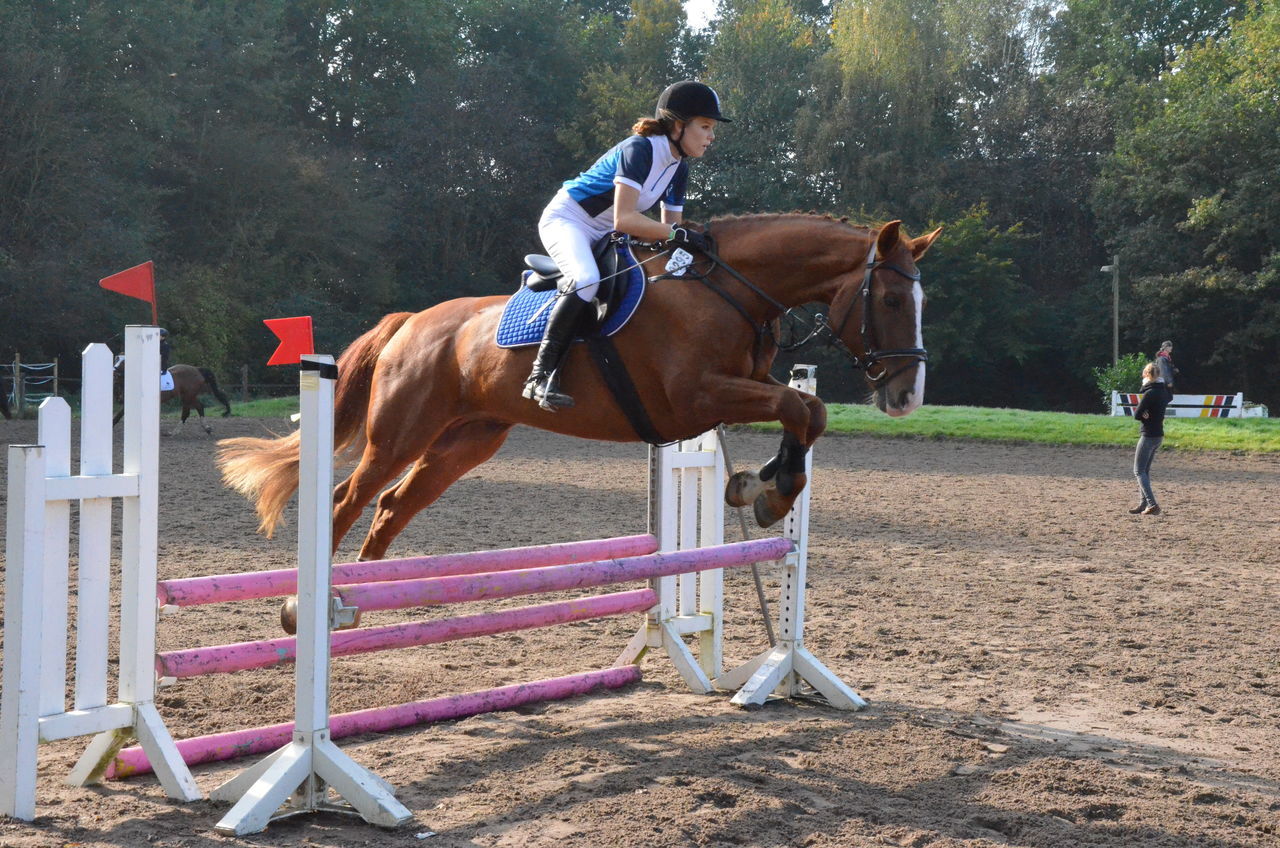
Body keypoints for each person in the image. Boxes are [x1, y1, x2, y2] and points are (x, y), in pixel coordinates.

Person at [523, 80, 730, 411]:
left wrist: (693, 243)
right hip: (569, 221)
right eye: (705, 127)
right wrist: (678, 234)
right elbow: (625, 219)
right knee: (587, 279)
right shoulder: (641, 149)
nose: (711, 136)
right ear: (679, 125)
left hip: (605, 231)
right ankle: (539, 376)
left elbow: (666, 229)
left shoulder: (678, 167)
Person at [1129, 361, 1172, 515]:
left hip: (1148, 435)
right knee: (1145, 471)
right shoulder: (1163, 392)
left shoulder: (1149, 393)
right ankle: (1143, 504)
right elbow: (1170, 397)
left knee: (1138, 471)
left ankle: (1152, 504)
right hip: (1159, 435)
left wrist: (1145, 414)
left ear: (1147, 375)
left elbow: (1137, 414)